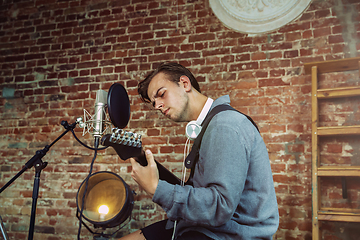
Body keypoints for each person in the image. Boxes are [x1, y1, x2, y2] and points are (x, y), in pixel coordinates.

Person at [119, 62, 279, 240]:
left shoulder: (225, 125)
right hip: (206, 227)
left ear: (185, 84)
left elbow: (220, 207)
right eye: (154, 103)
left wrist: (156, 188)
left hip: (231, 234)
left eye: (162, 94)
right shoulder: (210, 125)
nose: (158, 106)